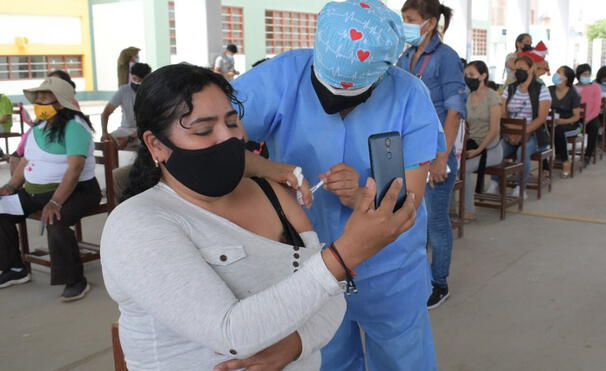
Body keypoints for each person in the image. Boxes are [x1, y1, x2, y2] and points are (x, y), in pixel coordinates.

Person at [101, 63, 417, 371]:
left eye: (232, 122)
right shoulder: (138, 223)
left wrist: (296, 343)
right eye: (204, 130)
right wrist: (343, 256)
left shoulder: (273, 195)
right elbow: (231, 334)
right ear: (156, 145)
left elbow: (331, 300)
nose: (228, 139)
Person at [232, 1, 444, 369]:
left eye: (353, 96)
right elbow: (214, 144)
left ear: (382, 74)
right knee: (326, 358)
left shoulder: (410, 96)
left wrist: (363, 194)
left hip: (390, 269)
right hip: (308, 263)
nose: (334, 105)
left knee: (402, 359)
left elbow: (409, 200)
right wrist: (269, 168)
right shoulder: (280, 77)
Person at [0, 77, 100, 301]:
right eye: (37, 98)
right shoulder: (39, 127)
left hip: (76, 191)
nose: (38, 102)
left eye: (45, 98)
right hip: (35, 192)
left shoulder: (75, 127)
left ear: (61, 102)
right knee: (1, 209)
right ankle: (15, 269)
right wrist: (10, 185)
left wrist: (55, 201)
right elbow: (26, 160)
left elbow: (75, 169)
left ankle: (75, 280)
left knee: (55, 221)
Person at [396, 0, 466, 309]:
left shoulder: (446, 58)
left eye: (410, 19)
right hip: (408, 152)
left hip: (436, 152)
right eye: (403, 18)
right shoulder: (405, 56)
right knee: (411, 220)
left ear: (429, 22)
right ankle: (417, 279)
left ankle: (439, 283)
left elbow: (454, 112)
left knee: (436, 223)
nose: (405, 24)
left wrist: (441, 157)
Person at [487, 55, 552, 197]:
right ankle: (495, 182)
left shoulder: (541, 89)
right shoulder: (509, 89)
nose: (518, 72)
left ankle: (520, 187)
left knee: (521, 152)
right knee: (498, 151)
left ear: (531, 69)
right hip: (510, 132)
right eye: (516, 69)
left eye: (522, 69)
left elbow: (541, 118)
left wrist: (522, 132)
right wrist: (510, 132)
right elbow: (502, 112)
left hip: (534, 134)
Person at [463, 61, 502, 220]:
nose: (468, 78)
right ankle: (451, 207)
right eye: (466, 75)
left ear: (483, 75)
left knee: (464, 169)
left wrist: (478, 150)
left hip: (490, 148)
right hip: (472, 143)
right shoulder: (468, 96)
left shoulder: (492, 96)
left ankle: (469, 210)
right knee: (450, 166)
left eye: (472, 75)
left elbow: (494, 130)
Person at [101, 63, 152, 149]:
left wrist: (129, 138)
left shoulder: (151, 93)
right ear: (131, 76)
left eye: (141, 81)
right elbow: (106, 112)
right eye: (135, 79)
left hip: (145, 132)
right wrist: (104, 132)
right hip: (125, 130)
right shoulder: (124, 91)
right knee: (108, 144)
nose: (137, 83)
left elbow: (151, 124)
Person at [549, 66, 582, 178]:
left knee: (558, 130)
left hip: (570, 123)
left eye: (559, 72)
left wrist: (562, 121)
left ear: (566, 78)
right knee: (542, 131)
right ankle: (544, 166)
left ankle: (564, 160)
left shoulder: (573, 93)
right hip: (552, 121)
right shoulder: (550, 90)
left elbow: (576, 117)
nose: (556, 74)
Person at [574, 64, 602, 166]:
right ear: (578, 75)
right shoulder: (573, 88)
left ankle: (588, 155)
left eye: (588, 74)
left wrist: (587, 119)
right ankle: (560, 155)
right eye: (584, 74)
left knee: (594, 126)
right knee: (562, 127)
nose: (586, 76)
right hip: (576, 116)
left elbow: (597, 107)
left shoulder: (595, 87)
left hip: (591, 117)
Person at [0, 91, 13, 158]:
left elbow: (4, 118)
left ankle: (1, 154)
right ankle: (1, 153)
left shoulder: (3, 98)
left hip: (4, 126)